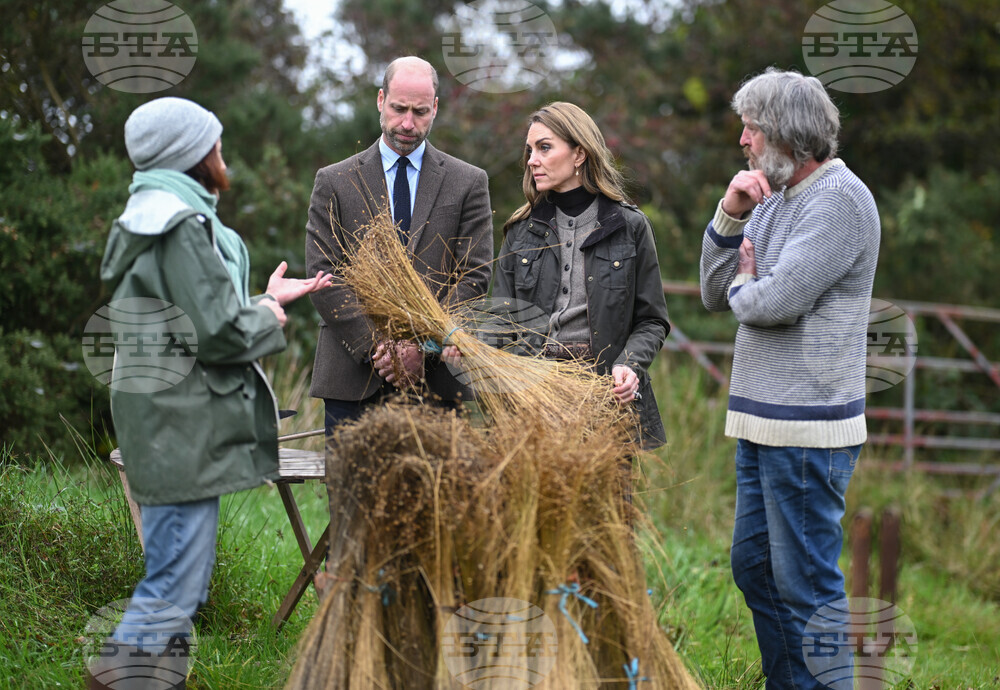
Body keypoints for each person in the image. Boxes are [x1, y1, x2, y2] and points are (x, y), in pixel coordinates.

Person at [91, 97, 331, 689]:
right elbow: (219, 335)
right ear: (193, 154)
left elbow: (189, 321)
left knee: (181, 581)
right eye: (215, 144)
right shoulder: (181, 226)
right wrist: (267, 313)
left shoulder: (152, 215)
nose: (223, 155)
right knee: (173, 584)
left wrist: (261, 299)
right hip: (182, 424)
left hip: (169, 418)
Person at [699, 68, 880, 689]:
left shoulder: (842, 200)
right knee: (754, 568)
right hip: (761, 417)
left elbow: (774, 301)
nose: (743, 142)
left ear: (783, 134)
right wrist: (729, 216)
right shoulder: (773, 199)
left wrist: (750, 282)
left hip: (809, 427)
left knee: (806, 586)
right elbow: (711, 293)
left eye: (751, 129)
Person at [444, 101, 670, 449]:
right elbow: (503, 321)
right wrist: (471, 347)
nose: (532, 159)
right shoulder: (520, 231)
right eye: (530, 150)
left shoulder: (629, 227)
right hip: (532, 401)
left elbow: (652, 320)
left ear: (579, 154)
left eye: (545, 148)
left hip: (604, 400)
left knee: (605, 504)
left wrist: (629, 365)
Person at [305, 56, 493, 435]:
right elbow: (323, 273)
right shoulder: (335, 180)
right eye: (398, 108)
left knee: (434, 496)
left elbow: (474, 275)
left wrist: (425, 347)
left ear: (435, 108)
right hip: (351, 376)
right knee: (352, 496)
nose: (407, 123)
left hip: (437, 382)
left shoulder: (468, 182)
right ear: (380, 100)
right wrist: (382, 349)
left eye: (420, 112)